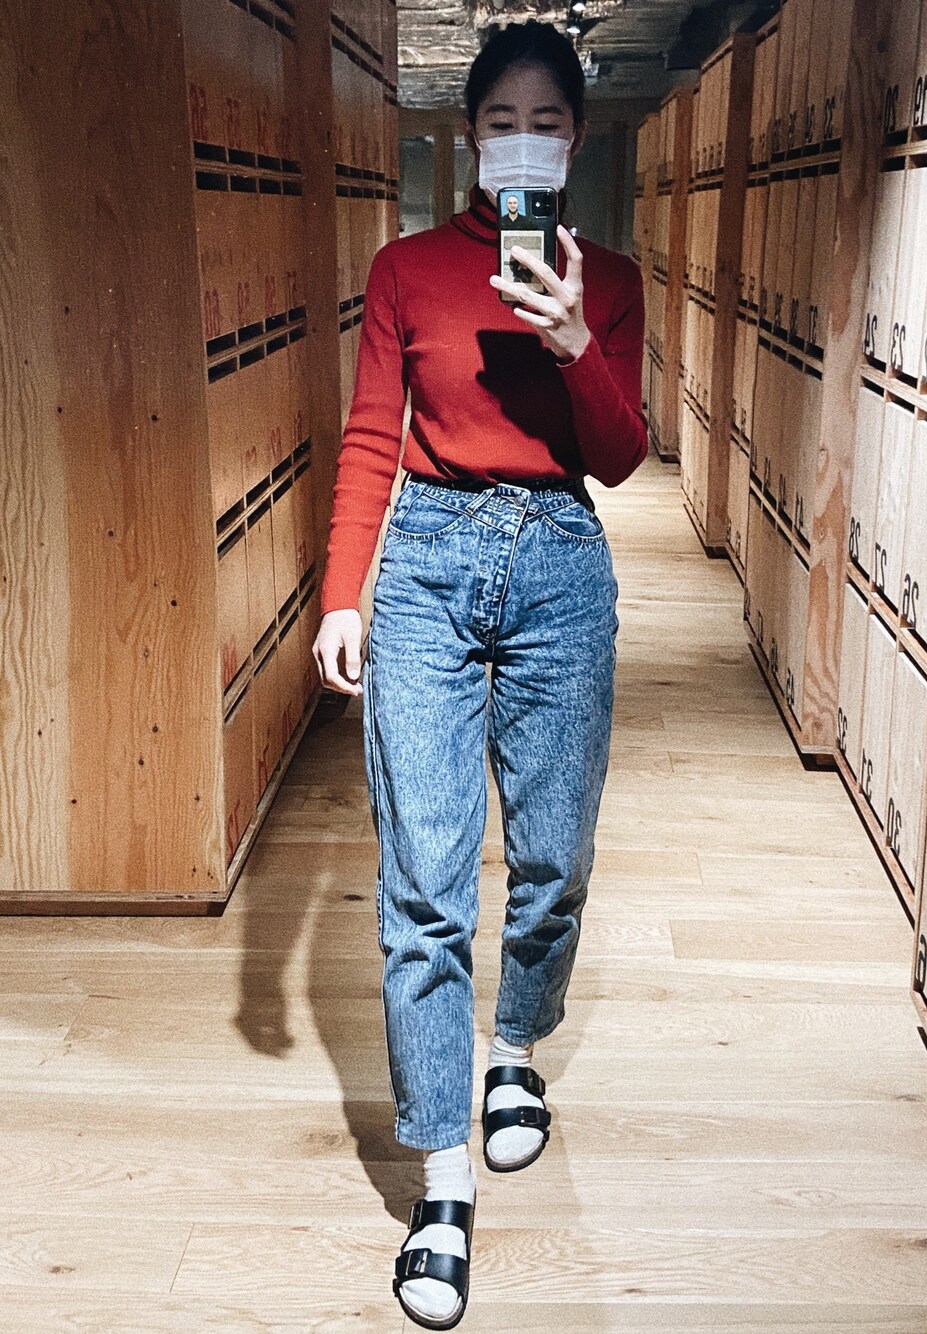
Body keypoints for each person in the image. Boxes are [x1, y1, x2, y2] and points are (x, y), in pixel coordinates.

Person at [312, 19, 647, 1330]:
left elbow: (619, 457)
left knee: (554, 852)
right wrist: (344, 591)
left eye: (545, 123)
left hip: (561, 555)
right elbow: (368, 435)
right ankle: (441, 1179)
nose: (521, 141)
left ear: (575, 140)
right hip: (430, 562)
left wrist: (572, 340)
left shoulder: (606, 280)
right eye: (499, 120)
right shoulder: (405, 268)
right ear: (469, 137)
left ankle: (514, 1049)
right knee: (425, 875)